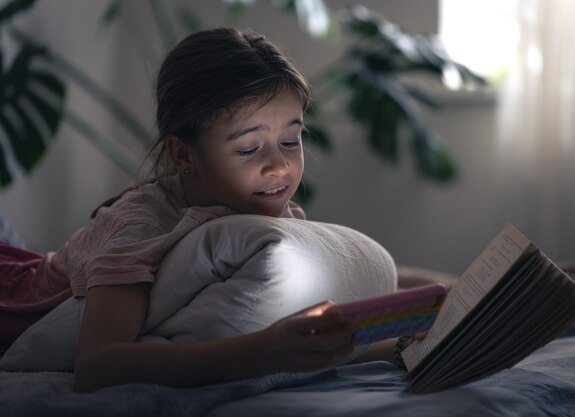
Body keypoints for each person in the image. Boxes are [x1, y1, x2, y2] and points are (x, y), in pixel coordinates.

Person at [0, 28, 400, 392]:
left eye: (291, 141)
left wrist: (402, 343)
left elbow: (310, 336)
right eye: (248, 148)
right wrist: (264, 351)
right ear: (182, 154)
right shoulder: (141, 225)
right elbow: (98, 364)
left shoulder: (271, 218)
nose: (279, 166)